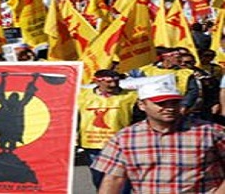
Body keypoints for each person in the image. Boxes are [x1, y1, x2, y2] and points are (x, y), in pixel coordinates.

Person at [92, 79, 225, 193]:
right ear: (142, 105)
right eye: (161, 103)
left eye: (174, 103)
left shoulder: (210, 132)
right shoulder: (125, 138)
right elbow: (114, 179)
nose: (170, 108)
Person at [76, 69, 137, 191]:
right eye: (108, 82)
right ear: (97, 82)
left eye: (116, 81)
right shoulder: (81, 95)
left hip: (121, 145)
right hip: (93, 144)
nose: (113, 85)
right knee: (99, 178)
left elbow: (139, 118)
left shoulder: (132, 96)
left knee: (121, 178)